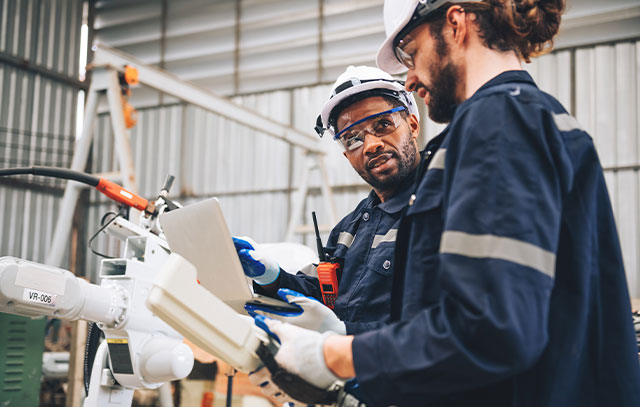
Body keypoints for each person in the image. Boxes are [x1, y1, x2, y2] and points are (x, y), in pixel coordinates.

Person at [255, 1, 640, 406]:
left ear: (455, 24)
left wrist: (334, 354)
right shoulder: (523, 118)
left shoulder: (499, 123)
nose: (412, 78)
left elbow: (493, 329)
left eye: (411, 52)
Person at [233, 65, 422, 336]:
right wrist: (271, 276)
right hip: (347, 371)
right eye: (352, 139)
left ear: (413, 126)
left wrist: (349, 334)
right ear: (347, 156)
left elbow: (445, 318)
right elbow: (322, 295)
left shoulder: (443, 202)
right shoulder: (351, 228)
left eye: (382, 125)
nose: (370, 145)